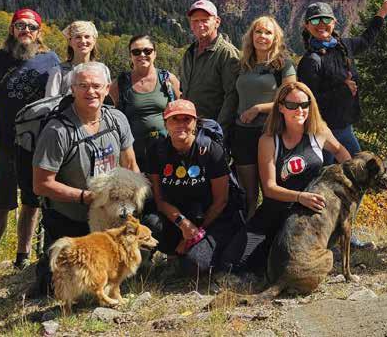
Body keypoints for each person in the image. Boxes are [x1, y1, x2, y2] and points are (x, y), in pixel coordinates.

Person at [221, 82, 350, 274]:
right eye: (292, 105)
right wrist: (299, 197)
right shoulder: (268, 140)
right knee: (232, 264)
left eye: (304, 105)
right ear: (280, 107)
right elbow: (269, 188)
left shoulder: (319, 132)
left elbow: (340, 152)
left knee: (286, 264)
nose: (299, 110)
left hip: (308, 215)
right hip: (275, 211)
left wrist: (347, 183)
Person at [32, 61, 137, 295]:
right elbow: (41, 184)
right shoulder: (57, 131)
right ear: (72, 89)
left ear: (107, 88)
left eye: (97, 86)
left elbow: (130, 165)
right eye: (83, 86)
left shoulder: (117, 119)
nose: (91, 91)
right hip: (72, 217)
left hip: (110, 217)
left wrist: (132, 202)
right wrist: (85, 197)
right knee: (56, 289)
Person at [0, 8, 60, 279]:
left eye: (31, 27)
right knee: (1, 202)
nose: (26, 31)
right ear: (12, 29)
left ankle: (22, 257)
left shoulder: (50, 59)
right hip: (7, 142)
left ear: (39, 32)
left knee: (32, 202)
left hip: (38, 142)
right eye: (21, 26)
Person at [141, 100, 243, 275]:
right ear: (165, 123)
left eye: (186, 119)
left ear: (195, 123)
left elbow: (221, 201)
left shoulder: (211, 150)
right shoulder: (156, 150)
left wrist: (194, 234)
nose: (180, 124)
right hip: (177, 218)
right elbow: (160, 200)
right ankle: (173, 254)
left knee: (194, 264)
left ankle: (199, 253)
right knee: (151, 223)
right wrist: (183, 224)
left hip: (210, 219)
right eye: (174, 119)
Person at [296, 0, 387, 164]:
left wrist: (382, 13)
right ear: (307, 26)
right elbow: (310, 102)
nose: (321, 24)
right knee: (338, 173)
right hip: (324, 131)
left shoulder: (345, 46)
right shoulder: (310, 61)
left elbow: (366, 40)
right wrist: (343, 90)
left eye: (326, 19)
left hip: (345, 126)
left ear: (334, 22)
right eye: (315, 20)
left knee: (356, 171)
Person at [232, 16, 296, 218]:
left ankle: (272, 231)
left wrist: (258, 108)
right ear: (251, 36)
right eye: (258, 31)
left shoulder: (283, 65)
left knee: (272, 191)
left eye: (268, 32)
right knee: (248, 194)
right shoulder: (243, 64)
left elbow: (291, 99)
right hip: (242, 133)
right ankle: (248, 231)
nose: (262, 36)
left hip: (270, 132)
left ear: (275, 37)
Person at [109, 34, 181, 173]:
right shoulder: (120, 83)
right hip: (133, 155)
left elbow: (181, 110)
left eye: (147, 51)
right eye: (136, 52)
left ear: (155, 53)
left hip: (167, 149)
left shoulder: (167, 79)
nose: (142, 55)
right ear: (130, 55)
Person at [179, 0, 240, 132]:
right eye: (195, 20)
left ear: (217, 22)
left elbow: (232, 97)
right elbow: (183, 90)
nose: (200, 24)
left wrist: (219, 131)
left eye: (205, 20)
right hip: (190, 128)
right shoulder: (189, 53)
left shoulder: (226, 53)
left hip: (212, 130)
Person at [45, 20, 99, 97]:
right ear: (70, 42)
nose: (83, 41)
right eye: (78, 37)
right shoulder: (58, 72)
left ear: (94, 41)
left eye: (87, 37)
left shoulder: (101, 71)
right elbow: (50, 102)